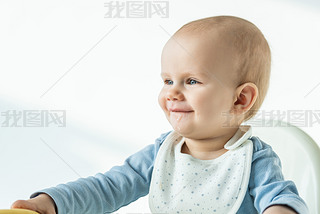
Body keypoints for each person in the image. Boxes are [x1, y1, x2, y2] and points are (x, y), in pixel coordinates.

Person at [11, 15, 308, 214]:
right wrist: (52, 202)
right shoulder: (162, 152)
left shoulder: (253, 158)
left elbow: (282, 197)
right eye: (168, 80)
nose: (172, 93)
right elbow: (109, 186)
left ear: (240, 99)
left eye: (191, 81)